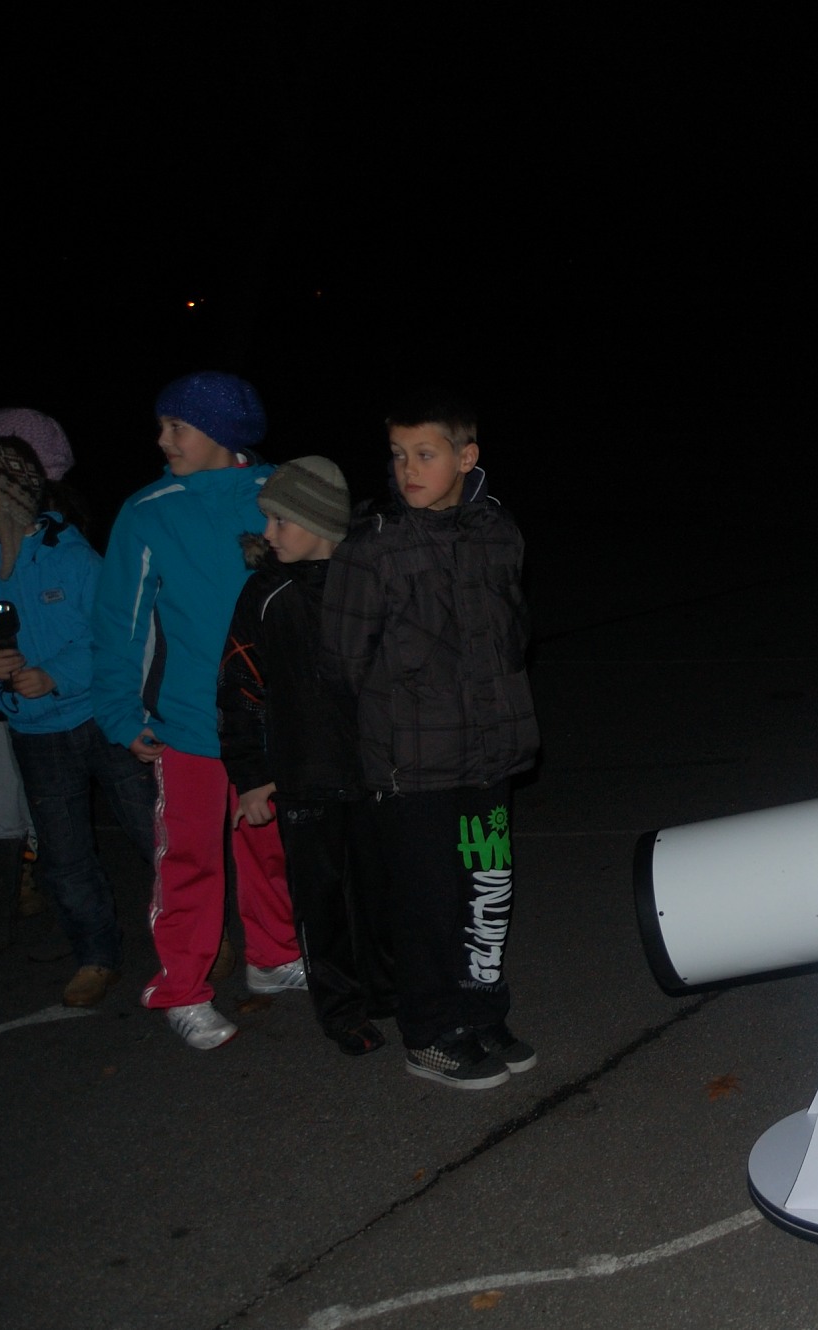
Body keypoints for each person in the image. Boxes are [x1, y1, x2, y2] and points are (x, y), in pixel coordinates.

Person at [321, 393, 539, 1090]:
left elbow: (514, 632)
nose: (408, 469)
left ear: (466, 457)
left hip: (488, 757)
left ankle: (480, 1012)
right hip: (415, 769)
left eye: (425, 454)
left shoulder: (497, 533)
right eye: (398, 455)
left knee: (486, 888)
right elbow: (342, 664)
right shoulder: (374, 549)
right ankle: (430, 1032)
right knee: (430, 902)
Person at [91, 372, 304, 1050]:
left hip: (267, 719)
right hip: (187, 722)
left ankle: (274, 955)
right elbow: (120, 623)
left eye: (176, 426)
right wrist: (122, 713)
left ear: (221, 432)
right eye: (163, 425)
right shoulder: (149, 511)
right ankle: (181, 987)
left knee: (271, 844)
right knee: (189, 859)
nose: (162, 439)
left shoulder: (279, 494)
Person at [0, 438, 158, 1004]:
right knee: (64, 855)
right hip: (35, 735)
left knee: (153, 832)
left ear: (10, 494)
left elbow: (115, 635)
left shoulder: (72, 557)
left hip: (103, 721)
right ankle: (96, 955)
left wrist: (56, 674)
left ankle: (195, 934)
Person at [219, 457, 396, 1055]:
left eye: (280, 521)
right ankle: (340, 1009)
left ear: (320, 523)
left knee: (381, 890)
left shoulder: (370, 582)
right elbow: (240, 686)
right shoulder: (266, 593)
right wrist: (251, 774)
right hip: (305, 777)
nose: (267, 534)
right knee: (320, 901)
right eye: (267, 519)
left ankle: (388, 990)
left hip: (376, 772)